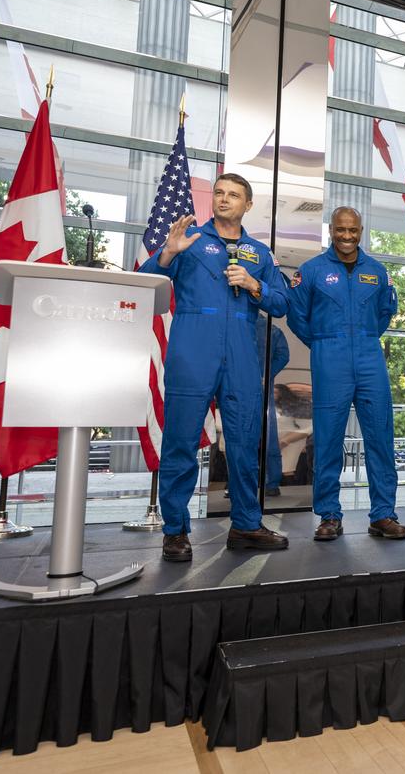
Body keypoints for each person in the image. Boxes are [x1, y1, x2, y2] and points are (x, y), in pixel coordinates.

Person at [140, 173, 289, 562]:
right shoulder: (189, 240)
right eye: (220, 193)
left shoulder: (259, 253)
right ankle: (175, 530)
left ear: (248, 204)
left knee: (244, 442)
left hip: (241, 350)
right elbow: (145, 285)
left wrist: (255, 286)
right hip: (193, 346)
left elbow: (281, 303)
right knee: (181, 442)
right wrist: (168, 253)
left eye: (234, 195)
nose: (224, 199)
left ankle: (246, 524)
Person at [286, 206, 405, 542]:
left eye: (353, 230)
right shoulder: (311, 270)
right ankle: (329, 515)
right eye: (341, 230)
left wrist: (363, 338)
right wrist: (324, 342)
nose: (347, 236)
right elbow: (297, 315)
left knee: (381, 437)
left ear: (361, 230)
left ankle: (383, 514)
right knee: (327, 440)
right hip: (329, 356)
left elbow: (385, 313)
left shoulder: (378, 271)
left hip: (369, 356)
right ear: (331, 230)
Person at [255, 316, 290, 496]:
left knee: (241, 433)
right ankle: (271, 483)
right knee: (268, 434)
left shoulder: (238, 325)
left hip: (240, 383)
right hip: (262, 384)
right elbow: (284, 355)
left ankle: (242, 482)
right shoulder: (273, 330)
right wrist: (267, 373)